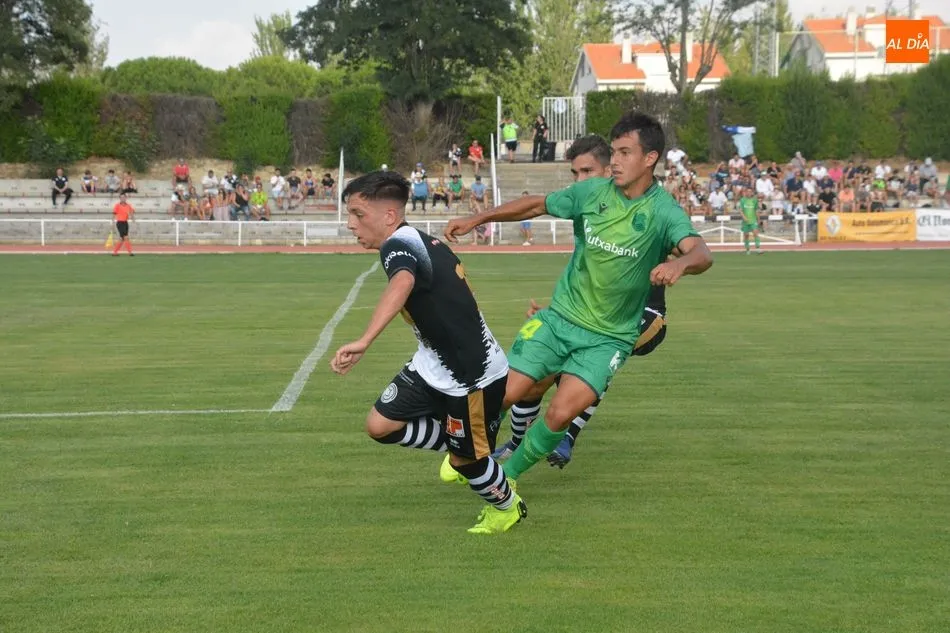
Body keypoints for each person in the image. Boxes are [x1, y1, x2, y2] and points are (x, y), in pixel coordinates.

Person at [443, 111, 713, 487]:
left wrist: (682, 264)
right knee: (503, 395)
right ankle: (467, 450)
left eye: (624, 152)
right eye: (613, 152)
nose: (614, 161)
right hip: (560, 321)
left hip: (608, 338)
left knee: (558, 415)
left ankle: (505, 480)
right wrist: (477, 220)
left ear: (650, 158)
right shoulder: (591, 192)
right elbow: (536, 205)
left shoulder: (663, 211)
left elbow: (701, 252)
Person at [330, 171, 526, 535]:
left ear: (389, 215)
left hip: (470, 376)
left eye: (358, 214)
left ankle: (507, 506)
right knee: (379, 425)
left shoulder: (397, 245)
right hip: (433, 364)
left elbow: (402, 282)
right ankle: (466, 446)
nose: (350, 224)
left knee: (468, 463)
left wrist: (365, 340)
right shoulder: (414, 240)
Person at [497, 134, 673, 469]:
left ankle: (566, 436)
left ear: (612, 169)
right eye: (575, 174)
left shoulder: (646, 202)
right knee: (538, 378)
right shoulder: (591, 205)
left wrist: (680, 260)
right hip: (586, 315)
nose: (579, 181)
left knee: (589, 368)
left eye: (587, 172)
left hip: (646, 316)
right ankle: (519, 443)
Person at [738, 187, 762, 254]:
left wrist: (758, 219)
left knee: (755, 233)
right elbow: (740, 210)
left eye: (750, 192)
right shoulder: (742, 200)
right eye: (747, 191)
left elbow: (756, 210)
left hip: (753, 220)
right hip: (745, 221)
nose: (749, 193)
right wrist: (744, 217)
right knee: (746, 235)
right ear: (745, 192)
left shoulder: (754, 200)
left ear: (752, 193)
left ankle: (758, 248)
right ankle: (748, 249)